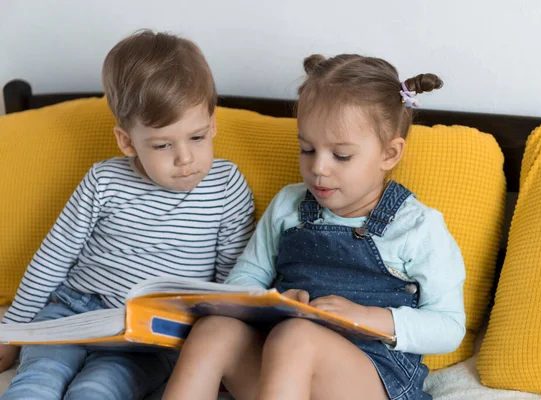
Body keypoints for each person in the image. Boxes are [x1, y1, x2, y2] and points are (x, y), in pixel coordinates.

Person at [164, 53, 466, 400]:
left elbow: (448, 326)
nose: (319, 168)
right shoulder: (289, 205)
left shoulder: (417, 226)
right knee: (213, 330)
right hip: (280, 369)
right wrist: (270, 302)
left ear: (389, 154)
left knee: (296, 336)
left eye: (341, 155)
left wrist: (371, 317)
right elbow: (242, 280)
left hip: (370, 379)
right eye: (307, 149)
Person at [0, 29, 255, 400]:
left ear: (213, 124)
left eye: (197, 137)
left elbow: (230, 283)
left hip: (149, 336)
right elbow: (54, 257)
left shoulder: (227, 186)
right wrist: (12, 330)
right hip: (74, 310)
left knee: (97, 390)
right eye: (163, 145)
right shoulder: (104, 180)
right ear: (126, 141)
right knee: (37, 382)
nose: (185, 159)